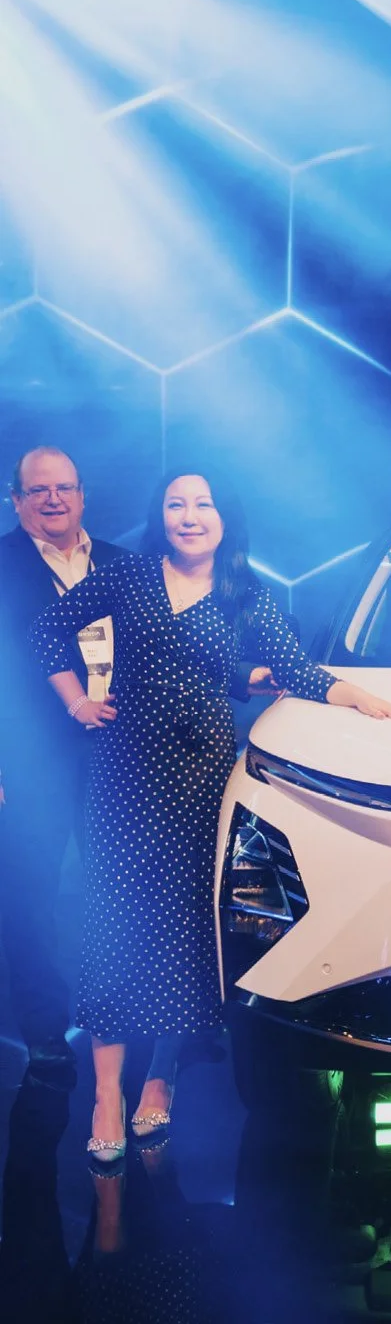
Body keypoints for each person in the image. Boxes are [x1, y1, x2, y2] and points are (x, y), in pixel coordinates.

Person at [29, 467, 391, 1164]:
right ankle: (106, 1092)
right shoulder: (131, 576)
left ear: (224, 518)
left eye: (202, 504)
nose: (189, 515)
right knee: (114, 924)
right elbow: (47, 631)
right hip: (122, 772)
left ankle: (162, 1076)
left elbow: (294, 669)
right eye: (175, 504)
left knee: (186, 926)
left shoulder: (245, 593)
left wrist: (356, 695)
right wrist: (76, 703)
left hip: (202, 775)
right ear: (161, 516)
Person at [0, 447, 127, 1087]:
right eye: (37, 489)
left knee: (126, 891)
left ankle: (129, 1017)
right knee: (30, 896)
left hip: (117, 753)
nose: (53, 499)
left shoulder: (122, 563)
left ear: (83, 495)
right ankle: (46, 1032)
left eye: (64, 487)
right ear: (15, 500)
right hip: (28, 761)